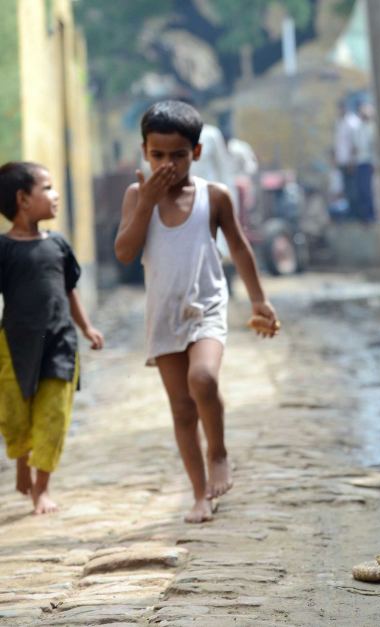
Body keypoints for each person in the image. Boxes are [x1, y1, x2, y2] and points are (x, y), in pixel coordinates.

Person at [115, 101, 279, 523]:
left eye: (178, 155)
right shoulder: (137, 195)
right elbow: (125, 251)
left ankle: (219, 451)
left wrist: (259, 300)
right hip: (163, 315)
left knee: (202, 378)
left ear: (197, 153)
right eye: (158, 155)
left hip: (206, 305)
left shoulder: (214, 196)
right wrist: (147, 201)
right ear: (144, 152)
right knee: (182, 410)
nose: (167, 164)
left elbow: (239, 247)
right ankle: (199, 493)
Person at [0, 162, 104, 515]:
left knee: (53, 415)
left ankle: (42, 488)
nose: (55, 195)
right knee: (15, 414)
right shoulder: (4, 249)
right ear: (22, 199)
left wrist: (86, 327)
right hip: (14, 343)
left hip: (60, 343)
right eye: (47, 188)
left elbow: (69, 289)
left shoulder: (58, 244)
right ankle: (20, 457)